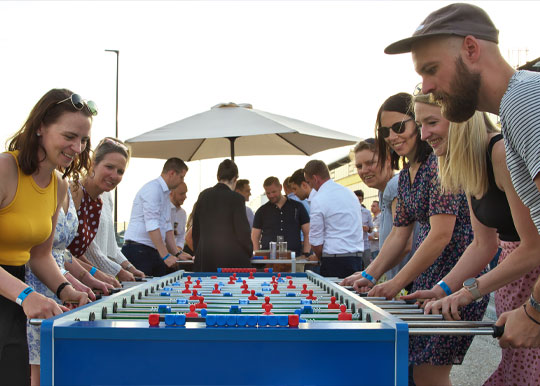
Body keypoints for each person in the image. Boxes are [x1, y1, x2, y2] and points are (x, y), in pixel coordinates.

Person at [384, 2, 540, 349]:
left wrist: (534, 312)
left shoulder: (524, 102)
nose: (425, 84)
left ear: (471, 49)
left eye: (431, 68)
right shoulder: (516, 107)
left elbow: (534, 246)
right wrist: (449, 289)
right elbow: (487, 244)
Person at [400, 95, 540, 384]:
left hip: (532, 284)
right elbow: (483, 245)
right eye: (420, 125)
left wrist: (468, 293)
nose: (424, 135)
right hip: (509, 284)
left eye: (432, 122)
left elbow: (533, 247)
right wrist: (442, 289)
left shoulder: (499, 152)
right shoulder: (467, 163)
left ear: (462, 118)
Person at [351, 93, 487, 386]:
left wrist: (395, 283)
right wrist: (368, 274)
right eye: (385, 131)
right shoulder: (404, 176)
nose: (392, 136)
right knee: (420, 373)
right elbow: (400, 235)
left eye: (399, 127)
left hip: (455, 278)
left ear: (418, 125)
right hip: (428, 283)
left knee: (429, 375)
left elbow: (440, 235)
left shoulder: (438, 165)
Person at [0, 89, 91, 384]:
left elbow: (40, 255)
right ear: (40, 127)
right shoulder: (4, 169)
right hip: (15, 292)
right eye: (69, 136)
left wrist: (66, 290)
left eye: (83, 140)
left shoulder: (58, 185)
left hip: (13, 300)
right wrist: (24, 294)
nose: (77, 147)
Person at [341, 138, 417, 287]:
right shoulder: (385, 191)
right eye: (359, 166)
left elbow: (404, 243)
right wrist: (370, 272)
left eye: (370, 163)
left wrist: (369, 274)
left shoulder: (395, 185)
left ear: (388, 159)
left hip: (411, 284)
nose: (363, 170)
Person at [67, 137, 138, 283]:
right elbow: (62, 250)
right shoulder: (73, 191)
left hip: (83, 280)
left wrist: (128, 267)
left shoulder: (102, 198)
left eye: (120, 171)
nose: (114, 175)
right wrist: (100, 274)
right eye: (109, 167)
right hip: (63, 281)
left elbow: (109, 245)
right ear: (93, 164)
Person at [122, 158, 189, 276]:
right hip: (138, 250)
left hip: (151, 251)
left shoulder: (164, 193)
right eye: (181, 177)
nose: (182, 181)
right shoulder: (153, 189)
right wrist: (166, 255)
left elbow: (167, 226)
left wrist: (177, 253)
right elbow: (152, 225)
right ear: (172, 173)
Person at [304, 160, 363, 278]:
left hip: (334, 261)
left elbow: (315, 239)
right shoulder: (349, 193)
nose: (309, 186)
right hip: (357, 258)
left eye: (308, 182)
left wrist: (321, 257)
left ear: (315, 178)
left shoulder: (319, 198)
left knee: (334, 296)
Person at [192, 159, 252, 271]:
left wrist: (198, 253)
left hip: (206, 261)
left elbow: (196, 231)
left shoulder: (203, 195)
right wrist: (249, 251)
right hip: (231, 263)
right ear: (235, 179)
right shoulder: (237, 198)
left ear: (218, 177)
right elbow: (242, 232)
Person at [251, 177, 311, 259]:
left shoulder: (298, 207)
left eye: (274, 192)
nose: (271, 195)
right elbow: (255, 237)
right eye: (268, 193)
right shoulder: (261, 211)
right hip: (268, 260)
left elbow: (307, 232)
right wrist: (257, 257)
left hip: (295, 258)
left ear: (280, 187)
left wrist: (306, 253)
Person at [169, 182, 192, 259]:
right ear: (171, 193)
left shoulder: (182, 213)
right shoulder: (163, 210)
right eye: (182, 194)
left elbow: (181, 236)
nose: (185, 197)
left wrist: (178, 249)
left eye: (185, 193)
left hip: (175, 256)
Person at [353, 189, 374, 268]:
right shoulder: (349, 211)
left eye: (360, 199)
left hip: (365, 244)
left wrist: (367, 229)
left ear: (362, 200)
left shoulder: (366, 212)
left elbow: (371, 228)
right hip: (353, 245)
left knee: (367, 267)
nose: (358, 201)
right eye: (356, 199)